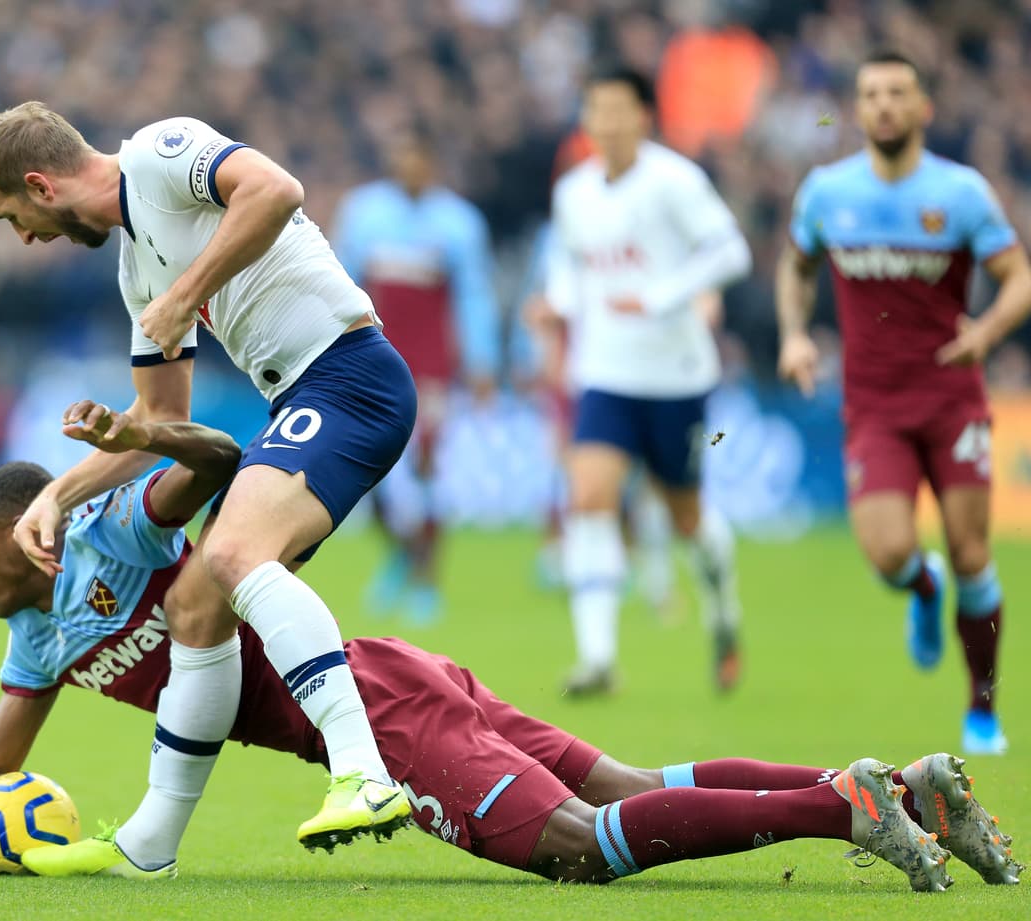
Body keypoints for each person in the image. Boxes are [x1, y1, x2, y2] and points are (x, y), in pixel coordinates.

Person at [0, 409, 1022, 892]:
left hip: (376, 714)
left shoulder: (116, 530)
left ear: (22, 533)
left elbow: (217, 451)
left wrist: (142, 435)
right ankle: (902, 788)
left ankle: (847, 812)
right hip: (392, 675)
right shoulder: (38, 636)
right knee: (625, 788)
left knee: (578, 850)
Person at [0, 101, 418, 871]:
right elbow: (157, 422)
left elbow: (276, 190)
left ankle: (365, 775)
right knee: (194, 605)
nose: (23, 238)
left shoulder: (162, 153)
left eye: (11, 216)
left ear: (39, 185)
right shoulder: (136, 269)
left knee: (235, 552)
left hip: (350, 376)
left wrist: (185, 295)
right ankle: (150, 844)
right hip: (303, 397)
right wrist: (55, 496)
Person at [776, 50, 1031, 755]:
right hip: (875, 405)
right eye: (870, 94)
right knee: (890, 552)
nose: (884, 105)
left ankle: (981, 710)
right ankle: (923, 586)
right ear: (857, 110)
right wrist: (795, 335)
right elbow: (794, 268)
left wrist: (987, 330)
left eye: (897, 93)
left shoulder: (960, 193)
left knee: (975, 551)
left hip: (952, 398)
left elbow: (1018, 278)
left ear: (923, 108)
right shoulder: (828, 192)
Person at [526, 67, 751, 697]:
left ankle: (725, 613)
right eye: (595, 109)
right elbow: (572, 273)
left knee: (686, 516)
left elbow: (731, 251)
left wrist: (661, 296)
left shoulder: (675, 181)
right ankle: (597, 660)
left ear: (644, 116)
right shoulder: (574, 192)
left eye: (618, 109)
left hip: (677, 376)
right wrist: (555, 307)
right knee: (589, 498)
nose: (606, 122)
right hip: (604, 373)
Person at [331, 127, 501, 624]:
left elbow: (474, 295)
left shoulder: (458, 222)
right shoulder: (364, 212)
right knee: (366, 467)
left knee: (426, 464)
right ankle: (403, 554)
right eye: (401, 156)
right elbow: (339, 281)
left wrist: (483, 360)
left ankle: (428, 581)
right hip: (373, 356)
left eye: (417, 158)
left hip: (429, 363)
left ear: (431, 163)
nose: (409, 166)